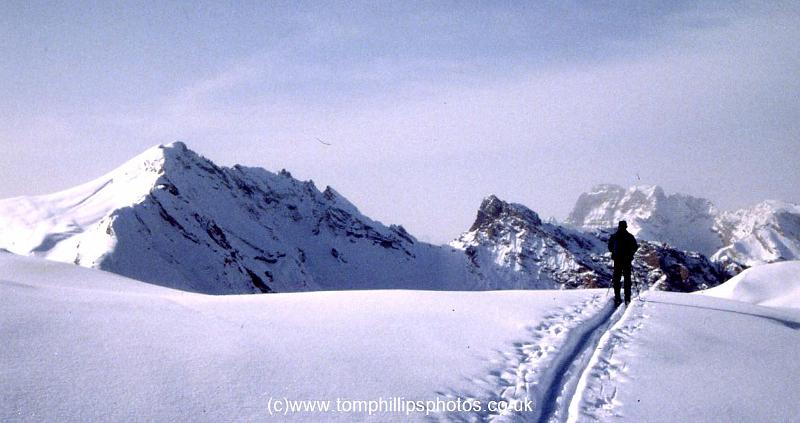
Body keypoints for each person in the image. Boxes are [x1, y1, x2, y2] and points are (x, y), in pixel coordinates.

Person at [608, 220, 638, 306]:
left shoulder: (614, 236)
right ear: (626, 226)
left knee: (616, 278)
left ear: (618, 226)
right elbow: (635, 247)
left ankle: (617, 297)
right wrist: (630, 254)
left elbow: (610, 247)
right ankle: (627, 298)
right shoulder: (630, 236)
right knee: (627, 279)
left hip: (617, 260)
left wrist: (614, 253)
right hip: (627, 261)